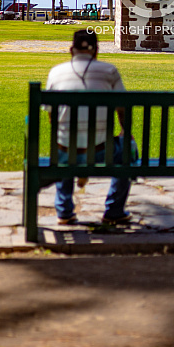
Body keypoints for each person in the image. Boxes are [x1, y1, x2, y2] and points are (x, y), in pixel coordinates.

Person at [45, 29, 135, 225]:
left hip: (65, 150)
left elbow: (52, 116)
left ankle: (65, 210)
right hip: (101, 150)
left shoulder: (56, 72)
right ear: (96, 51)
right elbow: (123, 108)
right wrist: (125, 132)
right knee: (129, 149)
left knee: (64, 148)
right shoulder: (109, 71)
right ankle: (114, 210)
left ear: (71, 50)